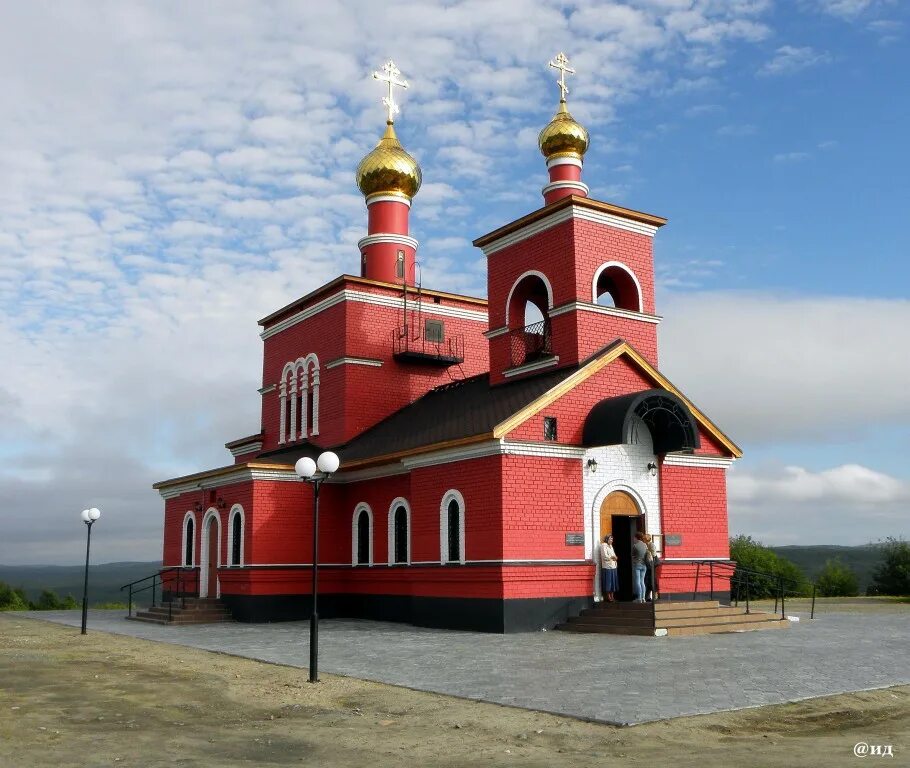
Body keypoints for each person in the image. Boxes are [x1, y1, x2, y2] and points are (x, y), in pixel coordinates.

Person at [631, 532, 650, 603]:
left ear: (636, 537)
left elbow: (633, 556)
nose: (633, 539)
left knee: (638, 581)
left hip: (637, 565)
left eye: (634, 537)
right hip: (644, 565)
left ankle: (639, 598)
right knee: (642, 582)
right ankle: (643, 598)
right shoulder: (645, 545)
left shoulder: (635, 546)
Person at [599, 534, 618, 602]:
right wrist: (612, 557)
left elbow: (613, 554)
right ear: (607, 539)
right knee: (608, 582)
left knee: (613, 582)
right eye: (610, 539)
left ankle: (612, 596)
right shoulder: (604, 545)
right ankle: (608, 596)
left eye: (612, 539)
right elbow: (604, 556)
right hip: (607, 567)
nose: (611, 541)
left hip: (613, 566)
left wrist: (615, 557)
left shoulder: (611, 546)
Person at [644, 534, 660, 602]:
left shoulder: (651, 545)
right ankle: (647, 597)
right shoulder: (645, 545)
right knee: (648, 580)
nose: (643, 539)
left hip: (651, 565)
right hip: (648, 565)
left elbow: (653, 555)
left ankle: (655, 596)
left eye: (644, 538)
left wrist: (647, 552)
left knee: (652, 580)